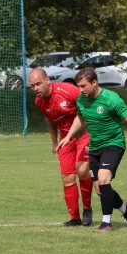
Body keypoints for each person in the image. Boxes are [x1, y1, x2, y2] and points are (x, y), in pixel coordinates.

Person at [58, 67, 127, 233]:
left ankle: (106, 223)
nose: (80, 90)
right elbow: (80, 118)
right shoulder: (81, 99)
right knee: (101, 189)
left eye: (83, 86)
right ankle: (125, 209)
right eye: (78, 86)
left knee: (103, 178)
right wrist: (68, 136)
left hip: (113, 144)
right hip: (94, 147)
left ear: (94, 83)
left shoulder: (111, 99)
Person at [30, 68, 94, 227]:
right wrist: (54, 142)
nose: (36, 88)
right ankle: (75, 217)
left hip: (84, 133)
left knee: (82, 170)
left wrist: (84, 128)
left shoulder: (68, 91)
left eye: (38, 84)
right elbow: (50, 120)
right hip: (65, 139)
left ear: (47, 80)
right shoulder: (38, 101)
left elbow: (87, 107)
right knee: (67, 177)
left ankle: (87, 208)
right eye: (32, 86)